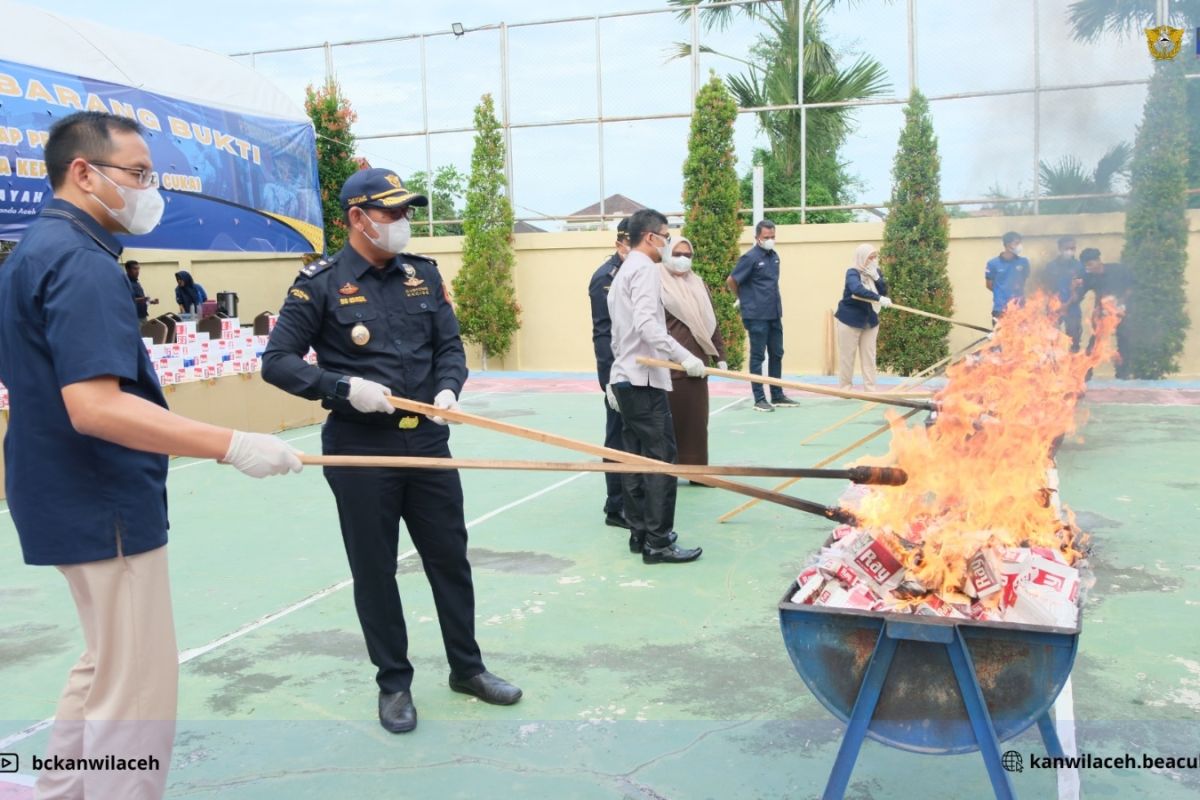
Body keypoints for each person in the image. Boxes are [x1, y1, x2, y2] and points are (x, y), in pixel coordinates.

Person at [0, 110, 302, 800]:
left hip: (59, 492)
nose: (147, 191)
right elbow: (96, 406)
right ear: (83, 171)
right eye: (136, 174)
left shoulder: (35, 252)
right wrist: (234, 444)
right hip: (100, 499)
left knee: (106, 663)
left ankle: (60, 791)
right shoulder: (83, 264)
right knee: (135, 692)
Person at [262, 167, 521, 735]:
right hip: (361, 447)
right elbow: (277, 361)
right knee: (375, 568)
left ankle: (467, 668)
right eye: (392, 213)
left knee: (449, 556)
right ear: (357, 218)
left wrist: (450, 388)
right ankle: (394, 683)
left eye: (407, 212)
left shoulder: (423, 276)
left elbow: (449, 347)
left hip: (427, 439)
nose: (403, 222)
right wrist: (342, 388)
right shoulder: (321, 283)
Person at [606, 208, 704, 564]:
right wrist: (685, 358)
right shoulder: (645, 270)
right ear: (651, 237)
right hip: (642, 381)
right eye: (666, 235)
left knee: (636, 459)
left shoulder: (622, 271)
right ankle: (658, 543)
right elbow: (648, 325)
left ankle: (640, 533)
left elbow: (620, 333)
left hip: (625, 378)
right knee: (662, 460)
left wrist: (614, 375)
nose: (668, 241)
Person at [661, 235, 727, 468]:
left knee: (696, 422)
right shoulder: (656, 281)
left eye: (687, 255)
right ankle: (667, 470)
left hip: (697, 365)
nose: (682, 259)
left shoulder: (698, 283)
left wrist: (720, 355)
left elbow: (710, 321)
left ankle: (697, 470)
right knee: (669, 423)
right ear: (667, 253)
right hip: (669, 365)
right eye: (677, 254)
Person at [588, 218, 632, 528]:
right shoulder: (604, 278)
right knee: (617, 436)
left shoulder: (644, 274)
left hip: (642, 371)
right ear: (620, 244)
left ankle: (636, 501)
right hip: (618, 372)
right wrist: (610, 382)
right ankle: (616, 507)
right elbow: (603, 335)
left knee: (639, 439)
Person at [726, 219, 798, 412]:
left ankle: (777, 394)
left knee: (777, 353)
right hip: (756, 314)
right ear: (757, 237)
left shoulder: (774, 256)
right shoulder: (750, 258)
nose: (770, 240)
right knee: (758, 356)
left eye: (773, 236)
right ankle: (759, 398)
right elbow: (731, 280)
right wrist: (743, 298)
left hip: (774, 313)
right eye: (766, 237)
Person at [834, 244, 892, 392]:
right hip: (849, 321)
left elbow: (884, 291)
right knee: (847, 357)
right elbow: (857, 290)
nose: (873, 260)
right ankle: (845, 390)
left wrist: (877, 278)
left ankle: (870, 390)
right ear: (862, 258)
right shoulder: (852, 273)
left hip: (870, 321)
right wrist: (878, 298)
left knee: (869, 358)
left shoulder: (875, 272)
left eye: (874, 257)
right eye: (870, 257)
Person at [1078, 247, 1133, 377]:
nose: (1089, 268)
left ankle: (1122, 375)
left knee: (1125, 343)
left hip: (1121, 312)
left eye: (1090, 264)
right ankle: (1085, 375)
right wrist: (1074, 288)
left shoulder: (1118, 270)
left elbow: (1131, 287)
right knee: (1094, 344)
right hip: (1102, 315)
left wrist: (1120, 301)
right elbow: (1079, 296)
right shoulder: (1088, 277)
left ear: (1098, 261)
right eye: (1086, 266)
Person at [1044, 236, 1084, 351]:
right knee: (1052, 341)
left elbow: (1081, 290)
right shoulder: (1051, 266)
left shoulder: (1079, 266)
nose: (1070, 251)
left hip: (1073, 309)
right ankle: (1054, 367)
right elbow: (1046, 288)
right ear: (1060, 248)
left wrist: (1068, 303)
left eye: (1073, 248)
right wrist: (1056, 305)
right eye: (1067, 248)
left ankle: (1074, 367)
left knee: (1074, 341)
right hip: (1054, 308)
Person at [985, 231, 1029, 323]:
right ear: (1008, 245)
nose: (1020, 246)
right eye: (1017, 243)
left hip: (1020, 308)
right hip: (1000, 309)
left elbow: (1024, 280)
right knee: (1001, 336)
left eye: (1020, 243)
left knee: (1021, 337)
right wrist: (1001, 292)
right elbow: (989, 285)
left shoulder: (1024, 262)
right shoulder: (992, 263)